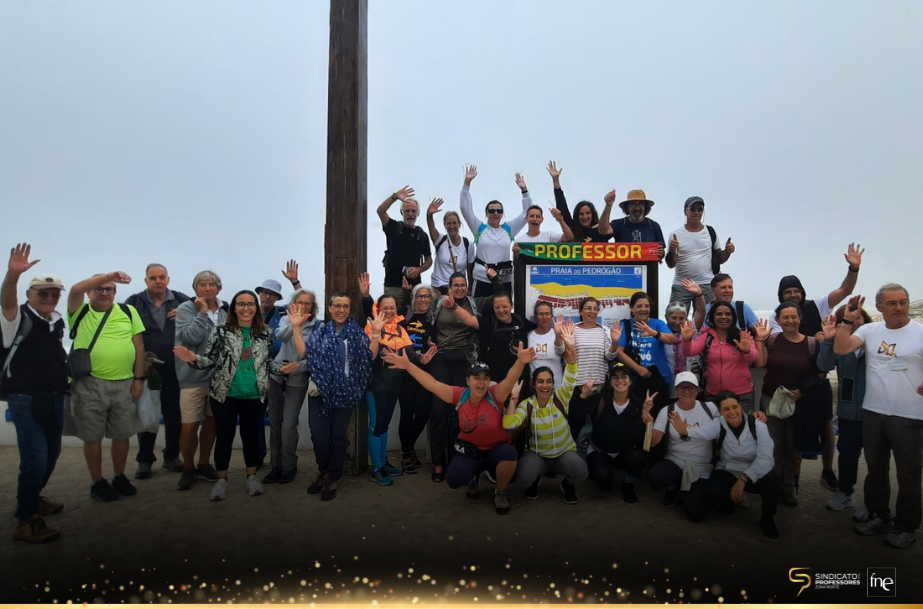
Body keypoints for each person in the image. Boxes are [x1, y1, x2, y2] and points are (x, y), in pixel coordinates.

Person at [174, 290, 300, 501]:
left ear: (256, 308)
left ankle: (251, 476)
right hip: (225, 395)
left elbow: (266, 362)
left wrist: (281, 369)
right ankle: (222, 480)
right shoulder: (221, 331)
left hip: (254, 394)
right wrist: (192, 358)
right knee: (224, 437)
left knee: (251, 437)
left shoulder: (265, 332)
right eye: (241, 304)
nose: (246, 308)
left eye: (250, 304)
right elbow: (210, 360)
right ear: (234, 307)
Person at [383, 344, 536, 515]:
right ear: (467, 381)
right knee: (455, 480)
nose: (481, 382)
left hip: (495, 451)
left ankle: (499, 493)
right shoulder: (459, 395)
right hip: (470, 452)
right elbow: (432, 384)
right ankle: (474, 476)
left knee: (509, 454)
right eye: (476, 377)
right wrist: (408, 366)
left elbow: (508, 381)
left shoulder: (495, 395)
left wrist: (520, 362)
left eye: (485, 378)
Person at [769, 243, 865, 492]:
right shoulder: (776, 316)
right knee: (796, 431)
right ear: (781, 296)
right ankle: (795, 477)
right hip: (794, 380)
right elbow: (781, 341)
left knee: (825, 423)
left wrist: (853, 267)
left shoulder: (817, 305)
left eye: (796, 291)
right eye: (787, 292)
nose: (792, 295)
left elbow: (845, 290)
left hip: (819, 375)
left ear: (802, 292)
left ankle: (827, 470)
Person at [835, 286, 923, 550]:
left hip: (910, 415)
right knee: (875, 471)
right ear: (880, 307)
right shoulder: (870, 331)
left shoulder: (919, 332)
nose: (899, 307)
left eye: (903, 302)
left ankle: (906, 527)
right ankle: (879, 517)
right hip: (873, 412)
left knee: (908, 475)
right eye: (892, 303)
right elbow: (841, 349)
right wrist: (848, 320)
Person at [1, 244, 69, 543]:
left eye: (54, 293)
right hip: (25, 398)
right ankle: (26, 520)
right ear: (29, 294)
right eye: (43, 292)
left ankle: (32, 499)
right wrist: (12, 275)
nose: (50, 297)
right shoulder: (16, 319)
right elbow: (6, 303)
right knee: (35, 459)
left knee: (51, 455)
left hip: (54, 397)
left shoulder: (55, 322)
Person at [66, 271, 146, 502]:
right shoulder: (79, 312)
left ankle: (119, 477)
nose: (104, 292)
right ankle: (97, 482)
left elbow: (139, 347)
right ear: (90, 291)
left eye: (109, 288)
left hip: (124, 383)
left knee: (122, 434)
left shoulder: (128, 312)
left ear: (115, 293)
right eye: (99, 288)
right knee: (92, 437)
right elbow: (74, 291)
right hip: (89, 383)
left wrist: (138, 379)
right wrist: (108, 275)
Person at [427, 270, 503, 482]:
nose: (459, 288)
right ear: (449, 287)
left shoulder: (475, 302)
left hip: (465, 359)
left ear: (467, 287)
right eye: (456, 285)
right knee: (438, 409)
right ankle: (438, 463)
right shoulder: (438, 303)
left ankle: (454, 458)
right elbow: (424, 320)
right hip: (441, 357)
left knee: (458, 411)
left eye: (463, 284)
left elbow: (500, 296)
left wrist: (494, 278)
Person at [672, 391, 780, 539]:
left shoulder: (757, 425)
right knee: (714, 492)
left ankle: (767, 518)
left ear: (741, 406)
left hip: (753, 469)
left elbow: (766, 458)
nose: (732, 412)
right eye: (726, 409)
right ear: (720, 412)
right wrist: (684, 430)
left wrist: (744, 479)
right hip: (728, 469)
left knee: (772, 481)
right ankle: (727, 501)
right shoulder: (719, 424)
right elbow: (702, 432)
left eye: (734, 407)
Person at [359, 274, 438, 474]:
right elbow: (370, 355)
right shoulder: (373, 326)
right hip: (377, 383)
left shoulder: (400, 329)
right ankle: (378, 468)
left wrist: (422, 359)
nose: (389, 311)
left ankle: (383, 464)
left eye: (392, 308)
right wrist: (366, 296)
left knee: (383, 425)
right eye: (384, 308)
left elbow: (410, 352)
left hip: (395, 382)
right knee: (376, 426)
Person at [503, 321, 586, 503]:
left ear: (553, 384)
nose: (545, 385)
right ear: (534, 385)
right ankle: (534, 480)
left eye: (548, 381)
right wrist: (513, 399)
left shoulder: (561, 397)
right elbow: (508, 424)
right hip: (538, 455)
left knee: (581, 471)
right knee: (523, 479)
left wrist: (570, 347)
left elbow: (571, 375)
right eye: (540, 381)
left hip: (563, 453)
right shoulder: (527, 404)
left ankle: (567, 485)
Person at [754, 304, 826, 507]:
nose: (790, 321)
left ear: (800, 318)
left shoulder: (811, 344)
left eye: (793, 317)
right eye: (785, 317)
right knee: (773, 445)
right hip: (771, 398)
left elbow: (819, 373)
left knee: (792, 446)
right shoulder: (773, 340)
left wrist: (802, 392)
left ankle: (788, 487)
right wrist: (760, 340)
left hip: (797, 401)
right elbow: (761, 363)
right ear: (778, 320)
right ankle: (772, 485)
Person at [304, 292, 373, 501]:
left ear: (349, 309)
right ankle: (323, 470)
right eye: (337, 306)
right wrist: (297, 328)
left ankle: (332, 476)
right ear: (330, 308)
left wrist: (377, 334)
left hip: (345, 392)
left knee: (338, 437)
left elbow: (369, 357)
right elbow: (306, 354)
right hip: (321, 391)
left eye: (345, 306)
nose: (341, 310)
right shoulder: (320, 332)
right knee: (319, 436)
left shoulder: (358, 334)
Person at [124, 264, 190, 479]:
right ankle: (144, 460)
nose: (158, 281)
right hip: (148, 368)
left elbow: (203, 314)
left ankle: (171, 456)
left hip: (176, 367)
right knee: (146, 415)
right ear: (146, 281)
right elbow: (125, 333)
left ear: (168, 279)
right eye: (153, 278)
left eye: (162, 277)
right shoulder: (134, 303)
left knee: (174, 415)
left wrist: (186, 312)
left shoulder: (182, 300)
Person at [174, 271, 226, 491]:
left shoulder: (225, 309)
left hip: (218, 378)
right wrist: (202, 313)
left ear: (218, 287)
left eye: (211, 284)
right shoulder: (187, 309)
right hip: (192, 377)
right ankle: (188, 467)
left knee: (211, 422)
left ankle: (204, 463)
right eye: (202, 285)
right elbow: (191, 338)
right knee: (189, 426)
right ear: (195, 288)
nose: (207, 288)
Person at [263, 289, 322, 485]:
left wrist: (298, 367)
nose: (303, 306)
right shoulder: (285, 319)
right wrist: (294, 324)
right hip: (276, 375)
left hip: (297, 378)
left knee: (288, 425)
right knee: (275, 424)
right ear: (293, 303)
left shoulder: (317, 327)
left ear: (313, 307)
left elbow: (313, 357)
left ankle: (289, 466)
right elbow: (280, 336)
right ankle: (275, 466)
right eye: (300, 302)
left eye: (307, 303)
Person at [818, 307, 871, 515]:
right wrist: (829, 340)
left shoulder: (875, 345)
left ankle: (873, 503)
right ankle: (845, 493)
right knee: (848, 455)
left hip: (875, 410)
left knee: (876, 459)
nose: (855, 323)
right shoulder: (842, 346)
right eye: (847, 321)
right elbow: (824, 365)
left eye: (858, 318)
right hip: (849, 410)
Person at [647, 372, 720, 519]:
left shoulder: (709, 408)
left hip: (701, 466)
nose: (686, 392)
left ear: (698, 390)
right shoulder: (667, 410)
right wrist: (648, 421)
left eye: (691, 388)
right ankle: (673, 487)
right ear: (675, 390)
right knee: (657, 476)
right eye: (682, 388)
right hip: (675, 460)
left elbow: (723, 429)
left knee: (695, 513)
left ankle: (688, 490)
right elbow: (653, 442)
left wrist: (686, 430)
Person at [459, 165, 531, 296]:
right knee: (479, 314)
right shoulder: (479, 228)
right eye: (491, 210)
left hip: (504, 279)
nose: (495, 213)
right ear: (486, 213)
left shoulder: (508, 229)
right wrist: (467, 183)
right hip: (482, 278)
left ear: (503, 213)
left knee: (503, 314)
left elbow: (527, 214)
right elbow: (465, 209)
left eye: (499, 210)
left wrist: (524, 191)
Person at [586, 362, 649, 503]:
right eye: (615, 377)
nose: (620, 381)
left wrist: (646, 420)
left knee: (639, 458)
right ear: (610, 381)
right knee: (602, 477)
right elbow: (577, 416)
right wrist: (584, 397)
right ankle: (605, 477)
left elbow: (641, 440)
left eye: (624, 376)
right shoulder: (600, 400)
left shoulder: (638, 404)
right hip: (601, 451)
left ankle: (628, 484)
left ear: (630, 380)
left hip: (623, 452)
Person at [681, 301, 759, 411]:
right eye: (719, 314)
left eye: (727, 314)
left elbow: (754, 357)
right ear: (712, 317)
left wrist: (746, 351)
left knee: (742, 427)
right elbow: (689, 351)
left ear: (733, 317)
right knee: (714, 427)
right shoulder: (707, 337)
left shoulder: (742, 336)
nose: (723, 317)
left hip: (741, 395)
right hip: (713, 394)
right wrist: (686, 340)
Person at [665, 196, 734, 311]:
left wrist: (728, 251)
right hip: (682, 284)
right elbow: (671, 264)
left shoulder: (710, 232)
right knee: (676, 320)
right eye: (693, 209)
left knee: (707, 321)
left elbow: (720, 258)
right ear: (685, 211)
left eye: (700, 209)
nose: (696, 212)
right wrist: (672, 250)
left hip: (706, 284)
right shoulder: (676, 234)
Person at [615, 291, 678, 413]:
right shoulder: (626, 325)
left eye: (647, 306)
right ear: (632, 309)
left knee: (659, 420)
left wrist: (653, 332)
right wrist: (638, 369)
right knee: (637, 420)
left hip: (660, 380)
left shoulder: (657, 323)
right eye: (639, 306)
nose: (643, 309)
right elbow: (619, 352)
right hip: (636, 382)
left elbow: (672, 340)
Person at [569, 297, 619, 445]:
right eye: (588, 308)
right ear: (580, 311)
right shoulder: (573, 329)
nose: (592, 312)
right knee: (575, 425)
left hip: (599, 388)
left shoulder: (604, 330)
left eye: (595, 309)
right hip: (577, 387)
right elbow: (563, 353)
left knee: (597, 428)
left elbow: (609, 356)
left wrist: (615, 342)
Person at [377, 187, 433, 305]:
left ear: (418, 213)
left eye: (413, 211)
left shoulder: (422, 235)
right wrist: (395, 197)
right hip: (393, 287)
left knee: (412, 321)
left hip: (414, 288)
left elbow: (429, 260)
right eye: (407, 211)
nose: (410, 214)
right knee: (391, 320)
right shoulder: (393, 228)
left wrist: (419, 269)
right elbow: (380, 211)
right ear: (402, 212)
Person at [548, 161, 615, 243]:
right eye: (581, 214)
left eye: (588, 213)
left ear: (592, 214)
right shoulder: (572, 229)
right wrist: (556, 181)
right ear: (577, 215)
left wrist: (608, 204)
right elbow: (562, 208)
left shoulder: (601, 230)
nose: (585, 217)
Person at [426, 200, 475, 294]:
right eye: (448, 223)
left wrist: (470, 288)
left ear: (459, 224)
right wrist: (429, 215)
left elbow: (470, 269)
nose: (452, 226)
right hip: (439, 287)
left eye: (454, 223)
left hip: (458, 289)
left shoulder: (468, 244)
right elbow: (431, 227)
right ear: (444, 225)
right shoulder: (440, 240)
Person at [609, 189, 665, 261]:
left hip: (649, 270)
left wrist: (661, 253)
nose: (637, 207)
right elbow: (603, 231)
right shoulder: (619, 224)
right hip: (624, 270)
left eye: (640, 203)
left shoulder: (654, 226)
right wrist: (608, 205)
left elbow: (661, 253)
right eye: (633, 204)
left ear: (645, 207)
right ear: (627, 207)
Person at [663, 301, 701, 400]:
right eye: (673, 318)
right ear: (666, 317)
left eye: (681, 318)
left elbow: (701, 312)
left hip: (690, 388)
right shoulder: (661, 336)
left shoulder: (692, 334)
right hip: (668, 388)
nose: (677, 322)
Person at [528, 302, 566, 390]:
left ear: (551, 316)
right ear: (535, 316)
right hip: (536, 386)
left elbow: (561, 352)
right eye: (541, 314)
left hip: (556, 385)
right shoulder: (528, 336)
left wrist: (558, 335)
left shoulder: (558, 334)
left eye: (547, 314)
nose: (544, 317)